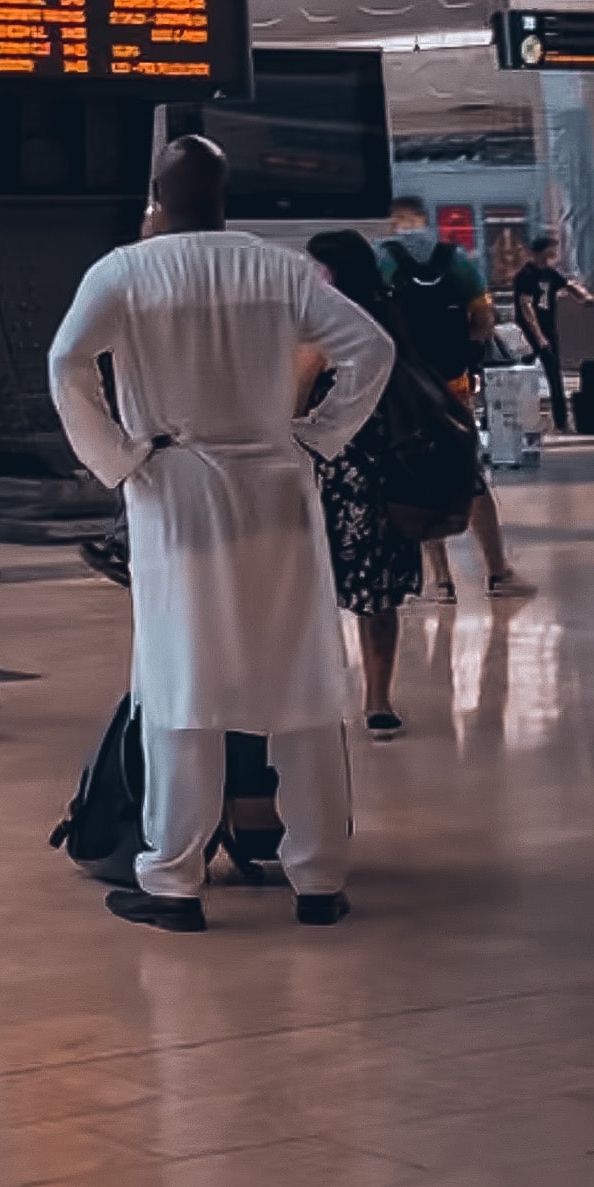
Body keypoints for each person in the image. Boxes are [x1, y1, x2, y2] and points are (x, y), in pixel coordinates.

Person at [48, 135, 392, 930]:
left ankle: (173, 880)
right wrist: (320, 432)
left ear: (159, 198)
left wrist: (122, 459)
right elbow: (370, 348)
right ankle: (319, 878)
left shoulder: (124, 272)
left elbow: (67, 362)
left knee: (182, 687)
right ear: (225, 193)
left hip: (179, 491)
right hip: (278, 484)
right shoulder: (279, 269)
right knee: (303, 683)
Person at [377, 201, 528, 603]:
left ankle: (440, 580)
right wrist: (468, 359)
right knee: (470, 472)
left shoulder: (383, 258)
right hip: (454, 384)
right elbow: (482, 318)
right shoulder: (455, 259)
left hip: (406, 388)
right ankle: (497, 570)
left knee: (417, 471)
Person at [305, 230, 421, 735]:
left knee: (310, 588)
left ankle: (319, 695)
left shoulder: (319, 329)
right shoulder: (390, 312)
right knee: (380, 594)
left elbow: (295, 400)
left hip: (328, 473)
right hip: (386, 472)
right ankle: (378, 699)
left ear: (332, 272)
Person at [509, 230, 570, 427]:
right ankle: (521, 416)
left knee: (553, 374)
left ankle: (561, 421)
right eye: (549, 251)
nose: (553, 255)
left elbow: (567, 284)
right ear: (539, 252)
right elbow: (526, 308)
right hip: (531, 331)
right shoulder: (525, 275)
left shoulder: (550, 273)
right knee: (534, 372)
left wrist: (583, 296)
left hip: (548, 329)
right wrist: (539, 337)